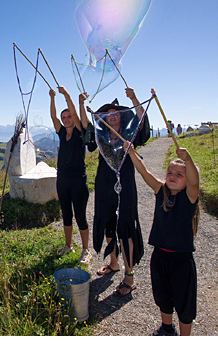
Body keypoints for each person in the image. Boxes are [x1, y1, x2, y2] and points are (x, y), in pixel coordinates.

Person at [125, 142, 199, 336]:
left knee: (184, 302)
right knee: (163, 297)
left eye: (179, 174)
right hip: (159, 257)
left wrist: (188, 159)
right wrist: (131, 152)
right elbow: (144, 172)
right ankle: (166, 328)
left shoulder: (189, 197)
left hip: (182, 261)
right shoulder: (161, 191)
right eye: (170, 173)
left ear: (186, 179)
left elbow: (194, 182)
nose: (173, 177)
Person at [87, 87, 150, 296]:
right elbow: (87, 138)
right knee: (107, 223)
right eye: (108, 114)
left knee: (126, 226)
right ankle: (113, 263)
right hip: (103, 183)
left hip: (126, 185)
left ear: (122, 118)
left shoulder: (129, 135)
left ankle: (129, 275)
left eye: (116, 113)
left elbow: (142, 126)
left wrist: (134, 98)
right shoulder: (101, 136)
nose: (112, 116)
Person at [50, 86, 92, 264]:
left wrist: (66, 95)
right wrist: (52, 98)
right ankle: (68, 245)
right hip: (63, 180)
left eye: (68, 117)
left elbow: (76, 114)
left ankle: (86, 250)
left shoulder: (80, 132)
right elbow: (53, 116)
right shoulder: (61, 133)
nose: (66, 119)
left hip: (78, 180)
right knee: (66, 215)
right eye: (64, 118)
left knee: (80, 216)